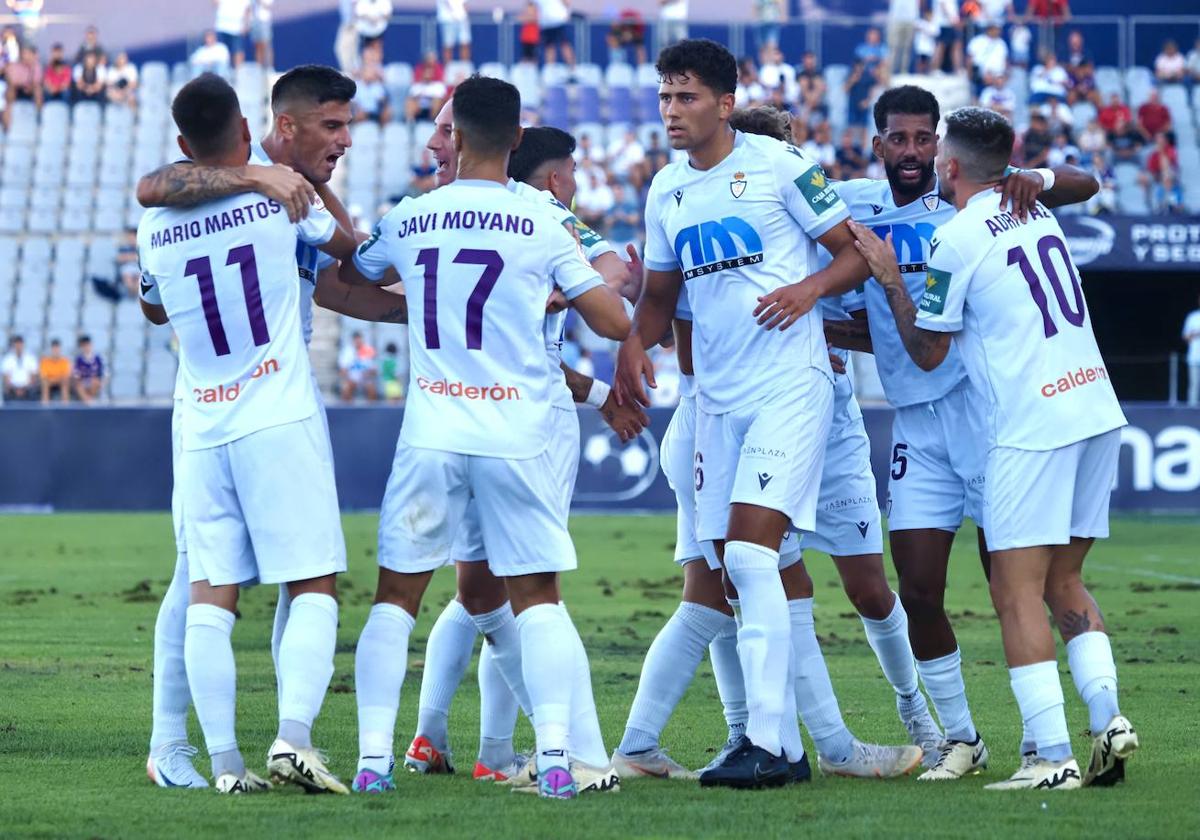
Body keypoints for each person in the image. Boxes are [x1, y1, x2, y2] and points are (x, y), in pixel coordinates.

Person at [611, 100, 927, 784]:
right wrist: (640, 340)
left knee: (767, 582)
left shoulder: (799, 196)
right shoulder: (688, 200)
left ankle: (779, 741)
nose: (782, 155)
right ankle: (786, 744)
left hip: (812, 412)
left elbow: (868, 240)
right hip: (721, 418)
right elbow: (687, 345)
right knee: (745, 580)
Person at [340, 75, 631, 800]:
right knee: (538, 598)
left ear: (460, 139)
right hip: (518, 434)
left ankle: (375, 760)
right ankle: (559, 758)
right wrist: (564, 293)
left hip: (434, 429)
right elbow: (615, 321)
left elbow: (355, 273)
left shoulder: (413, 215)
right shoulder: (541, 222)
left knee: (395, 599)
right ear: (516, 142)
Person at [136, 63, 411, 791]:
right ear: (265, 130)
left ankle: (226, 760)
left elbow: (156, 304)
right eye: (333, 126)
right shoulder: (281, 201)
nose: (344, 139)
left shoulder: (157, 224)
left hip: (204, 416)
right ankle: (253, 739)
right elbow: (361, 257)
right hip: (270, 411)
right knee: (298, 580)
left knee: (208, 587)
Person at [851, 104, 1136, 791]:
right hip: (1094, 404)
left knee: (1015, 593)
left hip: (1024, 423)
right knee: (1061, 581)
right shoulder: (1036, 211)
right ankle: (1108, 719)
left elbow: (926, 349)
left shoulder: (954, 237)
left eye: (934, 142)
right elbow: (1081, 183)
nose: (923, 152)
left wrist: (892, 280)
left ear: (949, 163)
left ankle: (1050, 757)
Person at [4, 43, 42, 128]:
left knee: (38, 90)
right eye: (24, 53)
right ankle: (7, 127)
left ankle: (38, 118)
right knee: (10, 91)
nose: (26, 56)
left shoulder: (36, 66)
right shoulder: (14, 66)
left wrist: (29, 86)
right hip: (16, 91)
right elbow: (13, 81)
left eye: (28, 53)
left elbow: (36, 81)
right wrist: (24, 83)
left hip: (30, 91)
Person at [338, 330, 379, 400]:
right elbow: (342, 370)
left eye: (359, 339)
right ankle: (347, 409)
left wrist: (368, 374)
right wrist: (349, 378)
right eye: (356, 339)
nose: (358, 341)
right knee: (346, 389)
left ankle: (371, 410)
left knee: (372, 390)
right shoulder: (347, 351)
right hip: (351, 378)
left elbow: (374, 371)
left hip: (366, 378)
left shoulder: (368, 350)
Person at [536, 0, 574, 68]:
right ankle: (550, 69)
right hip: (546, 23)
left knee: (564, 45)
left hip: (558, 20)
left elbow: (567, 2)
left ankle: (572, 69)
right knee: (549, 47)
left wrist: (567, 12)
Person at [213, 0, 250, 66]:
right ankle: (224, 72)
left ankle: (238, 73)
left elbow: (247, 9)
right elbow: (215, 3)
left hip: (237, 26)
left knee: (238, 50)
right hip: (222, 25)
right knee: (222, 52)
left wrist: (246, 24)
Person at [887, 0, 919, 75]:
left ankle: (903, 71)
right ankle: (891, 70)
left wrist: (916, 19)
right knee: (894, 47)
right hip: (896, 19)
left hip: (910, 19)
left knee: (907, 48)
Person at [2, 335, 38, 400]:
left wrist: (24, 389)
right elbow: (6, 379)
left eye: (20, 344)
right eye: (17, 344)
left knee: (34, 391)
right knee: (6, 391)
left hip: (27, 388)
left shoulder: (31, 358)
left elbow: (33, 377)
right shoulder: (7, 359)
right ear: (14, 345)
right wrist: (15, 389)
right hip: (12, 389)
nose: (18, 346)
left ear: (23, 344)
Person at [71, 335, 104, 403]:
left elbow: (101, 374)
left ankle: (89, 400)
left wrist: (97, 380)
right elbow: (76, 375)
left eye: (87, 345)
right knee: (78, 385)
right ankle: (87, 402)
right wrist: (79, 380)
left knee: (95, 382)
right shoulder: (79, 359)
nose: (86, 347)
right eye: (84, 346)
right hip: (82, 382)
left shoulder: (97, 358)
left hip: (93, 382)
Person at [436, 0, 471, 64]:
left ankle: (465, 67)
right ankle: (448, 68)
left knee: (465, 43)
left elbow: (464, 3)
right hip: (447, 19)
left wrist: (464, 14)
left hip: (462, 19)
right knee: (448, 45)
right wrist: (454, 13)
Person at [38, 338, 71, 404]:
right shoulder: (45, 361)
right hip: (49, 383)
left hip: (60, 383)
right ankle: (45, 409)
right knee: (45, 384)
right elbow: (44, 377)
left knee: (64, 384)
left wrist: (55, 379)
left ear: (60, 349)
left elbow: (65, 376)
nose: (55, 350)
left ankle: (65, 408)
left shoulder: (65, 361)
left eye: (57, 348)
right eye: (54, 348)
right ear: (51, 349)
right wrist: (54, 380)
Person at [1184, 295, 1200, 407]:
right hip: (1194, 357)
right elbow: (1186, 336)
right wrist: (1196, 334)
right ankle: (1192, 409)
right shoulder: (1192, 317)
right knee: (1194, 384)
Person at [251, 0, 274, 67]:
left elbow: (268, 6)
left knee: (266, 44)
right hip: (254, 21)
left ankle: (269, 67)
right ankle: (259, 68)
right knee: (257, 45)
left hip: (264, 21)